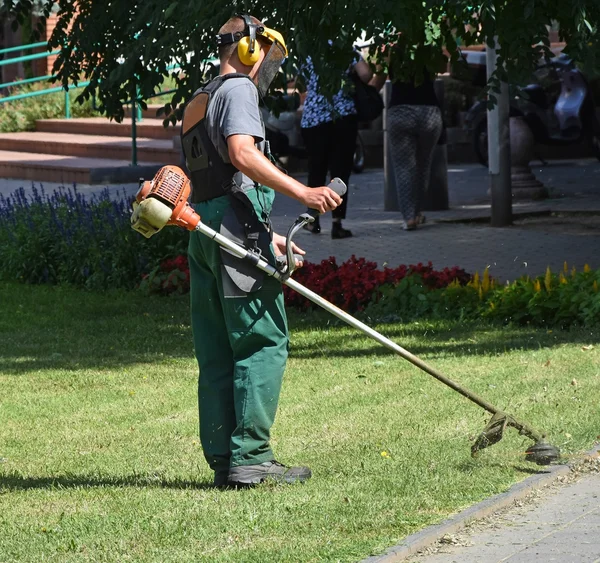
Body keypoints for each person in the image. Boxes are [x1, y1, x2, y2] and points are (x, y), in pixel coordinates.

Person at [180, 14, 342, 488]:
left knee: (216, 351)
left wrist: (259, 229)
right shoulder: (238, 90)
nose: (268, 68)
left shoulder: (200, 97)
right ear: (250, 50)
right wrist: (305, 193)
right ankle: (251, 457)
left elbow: (215, 181)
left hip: (206, 231)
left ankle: (223, 459)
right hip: (230, 234)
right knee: (262, 341)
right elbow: (242, 154)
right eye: (267, 55)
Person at [300, 48, 373, 238]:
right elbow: (366, 74)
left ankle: (312, 220)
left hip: (313, 119)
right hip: (343, 118)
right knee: (340, 173)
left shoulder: (309, 50)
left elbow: (299, 83)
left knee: (316, 170)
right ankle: (337, 224)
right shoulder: (346, 49)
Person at [371, 50, 443, 230]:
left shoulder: (392, 51)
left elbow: (377, 82)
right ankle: (418, 213)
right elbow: (442, 68)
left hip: (400, 112)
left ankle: (409, 217)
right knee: (423, 166)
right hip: (429, 112)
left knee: (404, 168)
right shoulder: (429, 46)